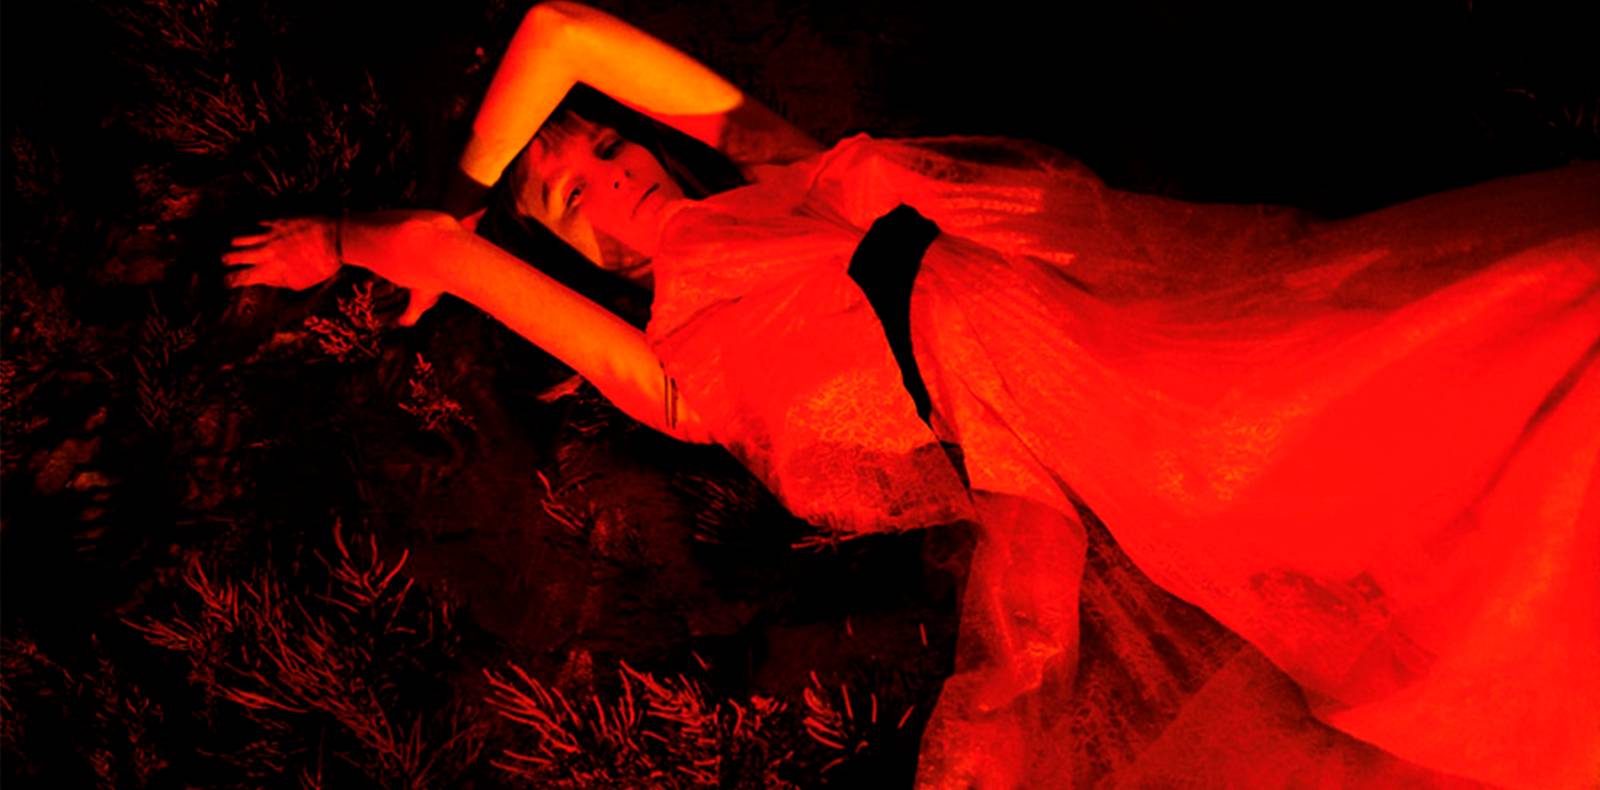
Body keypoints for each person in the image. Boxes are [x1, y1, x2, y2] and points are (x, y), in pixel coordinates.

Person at [224, 2, 1600, 786]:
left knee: (1479, 344)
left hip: (1154, 334)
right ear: (565, 253)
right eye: (567, 195)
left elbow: (561, 29)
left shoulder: (788, 177)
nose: (608, 170)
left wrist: (476, 180)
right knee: (1429, 520)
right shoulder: (682, 368)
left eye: (598, 146)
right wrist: (358, 238)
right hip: (1117, 439)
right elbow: (447, 257)